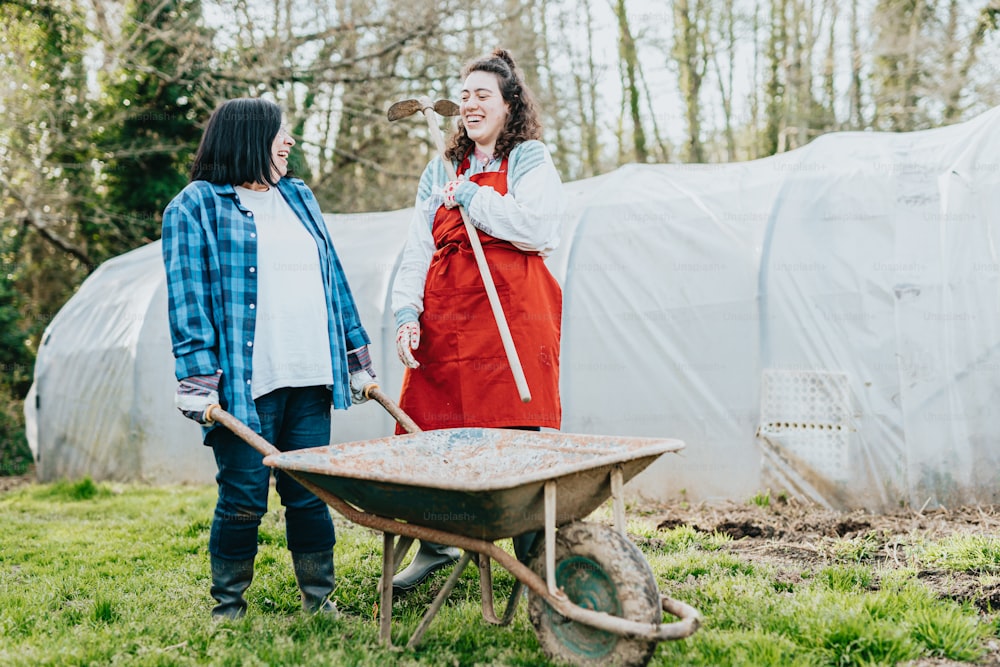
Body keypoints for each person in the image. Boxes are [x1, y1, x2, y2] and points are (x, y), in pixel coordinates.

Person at [161, 97, 377, 619]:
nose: (291, 141)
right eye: (282, 132)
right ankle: (228, 607)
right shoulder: (196, 206)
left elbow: (334, 282)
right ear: (250, 137)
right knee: (243, 496)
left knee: (308, 493)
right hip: (242, 385)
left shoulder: (299, 197)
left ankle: (319, 601)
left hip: (309, 375)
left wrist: (355, 356)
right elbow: (188, 302)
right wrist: (197, 378)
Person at [390, 49, 567, 593]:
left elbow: (536, 229)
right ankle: (437, 543)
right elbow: (418, 247)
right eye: (463, 95)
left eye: (482, 95)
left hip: (513, 319)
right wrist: (407, 312)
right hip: (449, 321)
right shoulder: (440, 171)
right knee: (435, 435)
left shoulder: (528, 159)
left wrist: (474, 198)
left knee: (514, 439)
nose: (470, 104)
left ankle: (535, 558)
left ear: (509, 105)